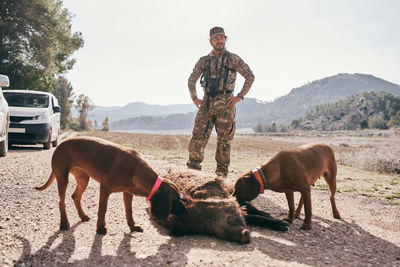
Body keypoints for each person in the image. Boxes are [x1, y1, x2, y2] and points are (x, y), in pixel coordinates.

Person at [186, 26, 255, 177]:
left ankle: (221, 175)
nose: (219, 40)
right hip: (207, 104)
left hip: (226, 105)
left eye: (222, 37)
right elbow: (191, 80)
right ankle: (193, 173)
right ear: (211, 41)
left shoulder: (233, 59)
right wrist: (194, 98)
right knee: (197, 138)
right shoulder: (203, 61)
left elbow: (250, 76)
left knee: (224, 142)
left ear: (225, 39)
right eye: (216, 38)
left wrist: (240, 96)